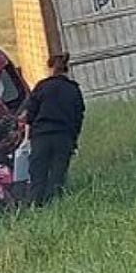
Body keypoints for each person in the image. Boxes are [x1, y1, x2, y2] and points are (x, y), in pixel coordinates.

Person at [20, 53, 85, 206]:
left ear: (50, 68)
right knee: (58, 174)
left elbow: (29, 114)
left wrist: (27, 131)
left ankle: (36, 205)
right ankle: (56, 205)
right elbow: (78, 118)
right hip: (64, 137)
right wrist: (73, 140)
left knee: (38, 174)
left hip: (41, 137)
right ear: (66, 70)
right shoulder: (73, 89)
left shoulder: (42, 86)